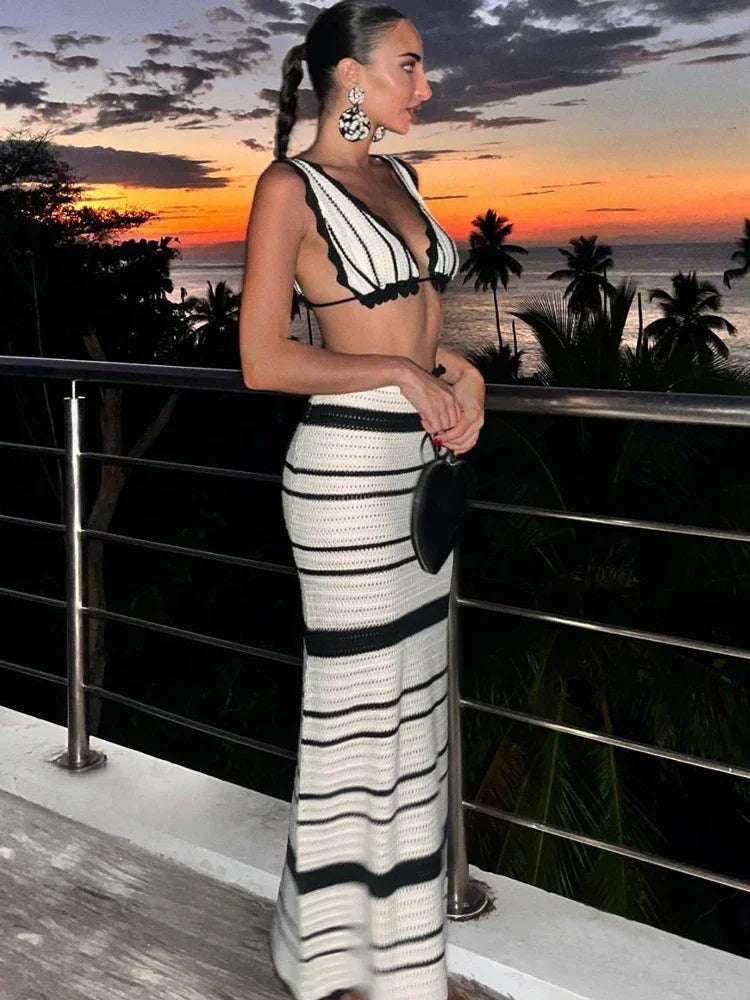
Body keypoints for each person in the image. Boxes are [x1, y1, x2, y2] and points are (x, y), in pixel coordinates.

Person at [239, 3, 485, 998]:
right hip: (344, 480)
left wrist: (460, 373)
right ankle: (331, 963)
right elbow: (263, 360)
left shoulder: (401, 178)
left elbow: (414, 327)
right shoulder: (287, 188)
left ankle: (401, 962)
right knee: (356, 721)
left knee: (412, 716)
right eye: (409, 67)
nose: (425, 86)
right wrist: (402, 371)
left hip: (419, 475)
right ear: (349, 74)